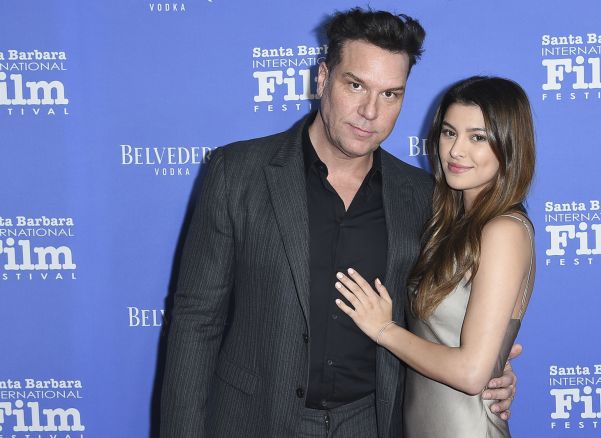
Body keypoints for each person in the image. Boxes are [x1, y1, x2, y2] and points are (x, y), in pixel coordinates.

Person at [159, 9, 519, 438]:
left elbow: (448, 311)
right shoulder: (238, 173)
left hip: (373, 422)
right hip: (256, 421)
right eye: (356, 85)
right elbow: (196, 321)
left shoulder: (424, 196)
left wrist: (494, 368)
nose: (371, 111)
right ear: (323, 78)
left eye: (390, 95)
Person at [334, 76, 536, 438]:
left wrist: (384, 329)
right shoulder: (448, 223)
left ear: (510, 145)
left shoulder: (504, 231)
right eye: (449, 132)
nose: (456, 151)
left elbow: (472, 373)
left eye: (478, 137)